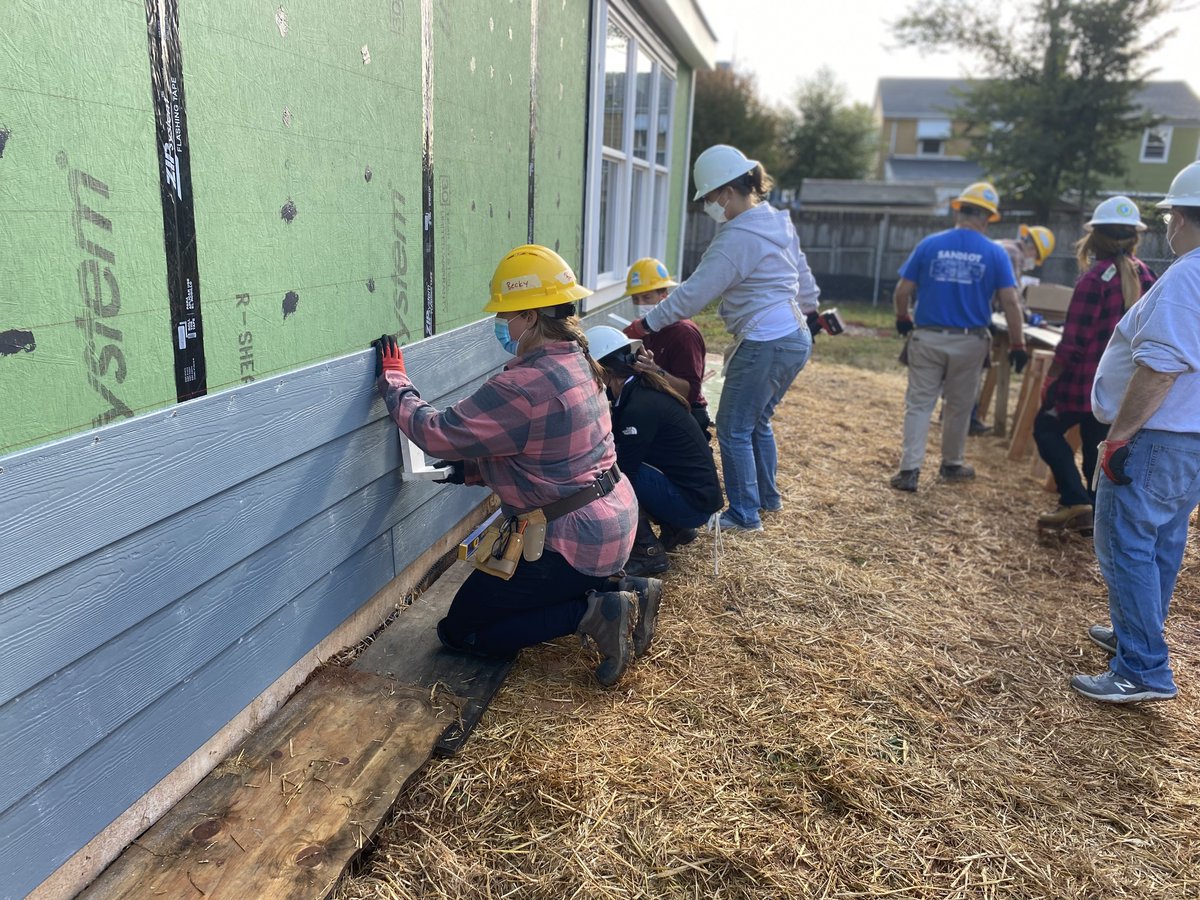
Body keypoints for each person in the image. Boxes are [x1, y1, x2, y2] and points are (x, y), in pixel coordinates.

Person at [371, 244, 662, 687]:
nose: (502, 325)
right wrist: (470, 471)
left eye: (507, 315)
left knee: (462, 630)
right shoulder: (579, 360)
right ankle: (626, 592)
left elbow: (434, 432)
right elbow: (548, 456)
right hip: (613, 520)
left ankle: (594, 613)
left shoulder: (523, 384)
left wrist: (396, 382)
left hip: (572, 540)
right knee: (506, 601)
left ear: (530, 317)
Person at [623, 144, 819, 533]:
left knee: (733, 426)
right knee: (758, 420)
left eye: (712, 198)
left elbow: (694, 292)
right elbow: (805, 279)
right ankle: (767, 498)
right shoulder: (778, 223)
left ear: (727, 191)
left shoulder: (737, 237)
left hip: (764, 338)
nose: (712, 207)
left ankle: (744, 515)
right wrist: (812, 311)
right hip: (795, 334)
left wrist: (646, 325)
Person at [1071, 161, 1200, 704]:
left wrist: (1119, 436)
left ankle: (1142, 668)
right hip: (1188, 439)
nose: (1168, 226)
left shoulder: (1187, 274)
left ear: (1185, 218)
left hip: (1157, 436)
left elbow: (1162, 364)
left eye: (1171, 215)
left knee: (1125, 545)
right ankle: (1135, 636)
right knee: (1161, 544)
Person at [890, 182, 1024, 492]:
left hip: (927, 337)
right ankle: (951, 464)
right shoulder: (995, 253)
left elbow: (902, 292)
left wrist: (902, 317)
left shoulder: (929, 244)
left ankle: (909, 470)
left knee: (919, 405)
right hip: (970, 342)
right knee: (959, 407)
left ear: (959, 210)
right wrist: (1018, 344)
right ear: (988, 217)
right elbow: (1011, 302)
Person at [1034, 196, 1156, 534]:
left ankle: (1075, 500)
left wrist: (1052, 380)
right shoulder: (1148, 276)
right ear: (1134, 237)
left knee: (1045, 429)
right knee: (1095, 447)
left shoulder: (1093, 280)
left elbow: (1073, 343)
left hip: (1080, 385)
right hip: (1121, 388)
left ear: (1094, 238)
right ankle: (1096, 517)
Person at [587, 325, 724, 575]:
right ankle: (676, 528)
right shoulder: (638, 390)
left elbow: (624, 465)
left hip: (693, 505)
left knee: (613, 478)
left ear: (603, 372)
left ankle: (648, 552)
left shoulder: (639, 406)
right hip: (697, 497)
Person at [623, 257, 712, 439]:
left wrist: (655, 370)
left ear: (664, 296)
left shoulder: (683, 333)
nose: (640, 304)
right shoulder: (643, 329)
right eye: (636, 299)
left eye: (646, 297)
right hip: (656, 404)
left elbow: (689, 392)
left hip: (686, 412)